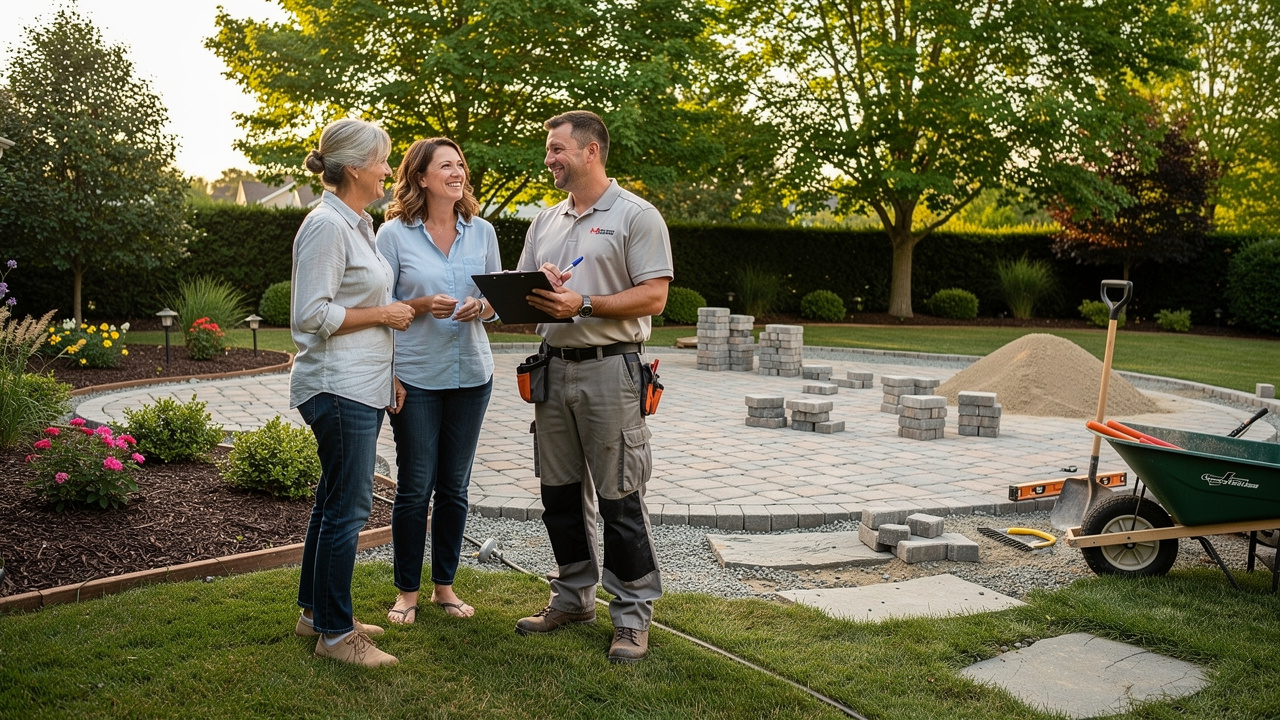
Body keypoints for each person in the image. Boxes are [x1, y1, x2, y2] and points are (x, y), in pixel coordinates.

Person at [514, 110, 673, 664]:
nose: (549, 159)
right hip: (552, 368)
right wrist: (516, 298)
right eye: (549, 149)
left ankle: (631, 617)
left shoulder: (637, 215)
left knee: (620, 497)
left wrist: (582, 302)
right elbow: (524, 290)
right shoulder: (546, 221)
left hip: (613, 369)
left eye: (558, 149)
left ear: (590, 152)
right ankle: (573, 598)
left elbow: (654, 296)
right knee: (558, 494)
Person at [290, 117, 414, 667]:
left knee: (331, 504)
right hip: (337, 388)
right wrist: (383, 313)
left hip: (361, 384)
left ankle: (315, 614)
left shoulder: (357, 223)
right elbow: (310, 314)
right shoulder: (326, 226)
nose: (390, 170)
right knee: (349, 509)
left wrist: (385, 371)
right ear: (357, 167)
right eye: (385, 160)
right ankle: (338, 636)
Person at [375, 137, 500, 625]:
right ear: (421, 177)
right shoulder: (393, 235)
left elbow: (497, 298)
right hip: (416, 376)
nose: (457, 171)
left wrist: (481, 307)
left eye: (460, 164)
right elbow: (381, 309)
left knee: (454, 486)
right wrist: (424, 307)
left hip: (472, 373)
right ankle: (406, 590)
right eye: (445, 165)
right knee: (415, 485)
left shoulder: (482, 231)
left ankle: (444, 587)